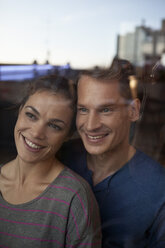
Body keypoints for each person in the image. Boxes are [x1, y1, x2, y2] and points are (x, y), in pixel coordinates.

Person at [61, 59, 165, 247]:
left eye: (106, 109)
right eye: (83, 109)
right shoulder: (60, 157)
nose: (91, 125)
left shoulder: (159, 189)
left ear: (133, 111)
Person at [0, 75, 102, 247]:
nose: (37, 133)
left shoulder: (74, 199)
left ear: (68, 135)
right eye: (31, 115)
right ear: (19, 112)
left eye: (54, 126)